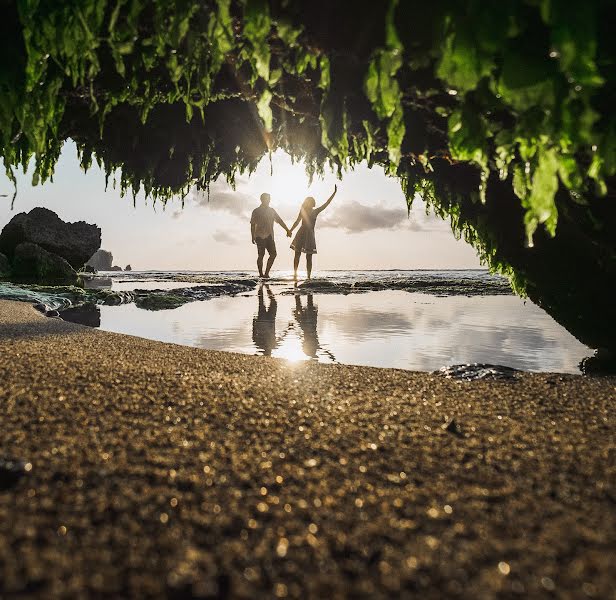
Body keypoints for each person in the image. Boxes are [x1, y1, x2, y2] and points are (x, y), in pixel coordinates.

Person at [289, 185, 337, 280]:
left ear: (313, 203)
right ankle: (295, 275)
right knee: (297, 254)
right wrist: (290, 230)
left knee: (309, 256)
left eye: (311, 202)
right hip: (301, 233)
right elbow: (297, 221)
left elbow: (327, 203)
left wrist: (334, 193)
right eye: (307, 202)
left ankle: (308, 277)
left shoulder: (316, 211)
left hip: (310, 235)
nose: (309, 204)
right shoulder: (302, 211)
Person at [250, 192, 291, 279]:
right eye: (267, 198)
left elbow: (279, 221)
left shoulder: (272, 211)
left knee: (273, 254)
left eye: (269, 199)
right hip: (259, 236)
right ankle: (261, 274)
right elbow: (252, 224)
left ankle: (266, 273)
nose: (268, 200)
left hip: (269, 236)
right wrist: (252, 236)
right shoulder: (256, 211)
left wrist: (287, 230)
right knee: (261, 255)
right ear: (262, 199)